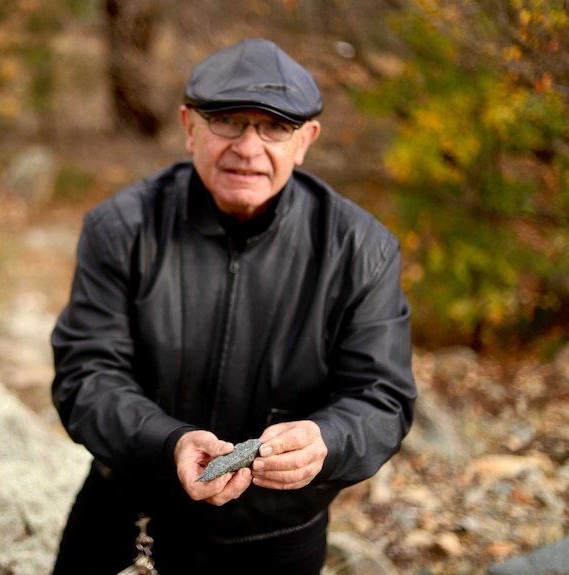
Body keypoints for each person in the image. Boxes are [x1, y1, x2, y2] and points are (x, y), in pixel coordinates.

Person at [50, 38, 417, 574]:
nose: (248, 148)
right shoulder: (121, 228)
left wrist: (327, 442)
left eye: (273, 127)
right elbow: (86, 378)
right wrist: (168, 443)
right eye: (227, 122)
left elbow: (382, 397)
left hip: (276, 535)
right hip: (127, 515)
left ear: (305, 140)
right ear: (188, 126)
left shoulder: (362, 249)